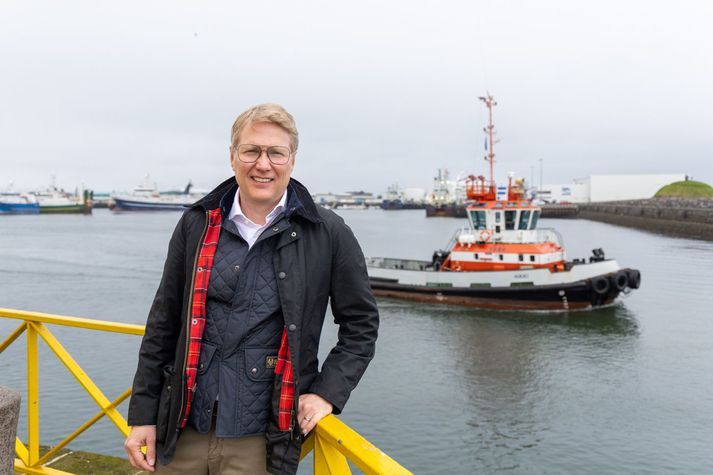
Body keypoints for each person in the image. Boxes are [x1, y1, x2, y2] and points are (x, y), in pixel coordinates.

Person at [124, 103, 379, 474]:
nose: (263, 164)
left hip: (262, 439)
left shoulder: (327, 232)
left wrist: (327, 392)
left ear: (292, 160)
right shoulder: (196, 223)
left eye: (276, 152)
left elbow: (361, 323)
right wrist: (143, 416)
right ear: (232, 157)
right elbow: (163, 324)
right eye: (251, 151)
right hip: (181, 429)